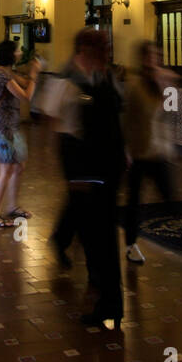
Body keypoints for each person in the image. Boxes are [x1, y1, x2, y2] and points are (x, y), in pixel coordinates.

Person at [44, 29, 126, 330]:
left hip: (94, 169)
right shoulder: (100, 81)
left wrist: (79, 174)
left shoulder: (96, 82)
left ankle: (106, 301)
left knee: (98, 239)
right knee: (100, 238)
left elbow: (96, 130)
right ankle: (109, 303)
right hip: (102, 169)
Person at [122, 40, 179, 264]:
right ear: (143, 58)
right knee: (134, 200)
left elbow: (172, 111)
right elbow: (127, 120)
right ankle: (130, 244)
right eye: (151, 56)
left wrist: (164, 82)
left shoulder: (162, 82)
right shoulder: (134, 85)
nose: (154, 60)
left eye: (157, 56)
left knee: (169, 195)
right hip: (139, 152)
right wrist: (125, 149)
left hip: (159, 151)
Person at [0, 40, 40, 229]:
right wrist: (33, 75)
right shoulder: (2, 77)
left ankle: (12, 206)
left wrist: (32, 73)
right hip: (3, 131)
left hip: (12, 129)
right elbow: (26, 96)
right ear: (9, 54)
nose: (18, 53)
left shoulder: (8, 73)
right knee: (6, 171)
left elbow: (24, 82)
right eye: (16, 51)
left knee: (19, 167)